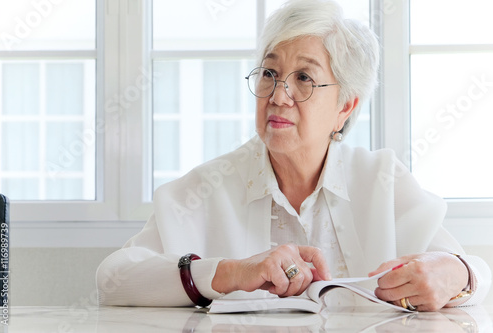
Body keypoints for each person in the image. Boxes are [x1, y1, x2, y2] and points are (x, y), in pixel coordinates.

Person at [96, 0, 491, 312]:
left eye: (303, 77)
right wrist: (232, 273)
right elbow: (112, 279)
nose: (278, 96)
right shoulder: (205, 187)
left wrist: (458, 275)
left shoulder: (381, 179)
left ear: (345, 106)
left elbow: (475, 276)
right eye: (269, 73)